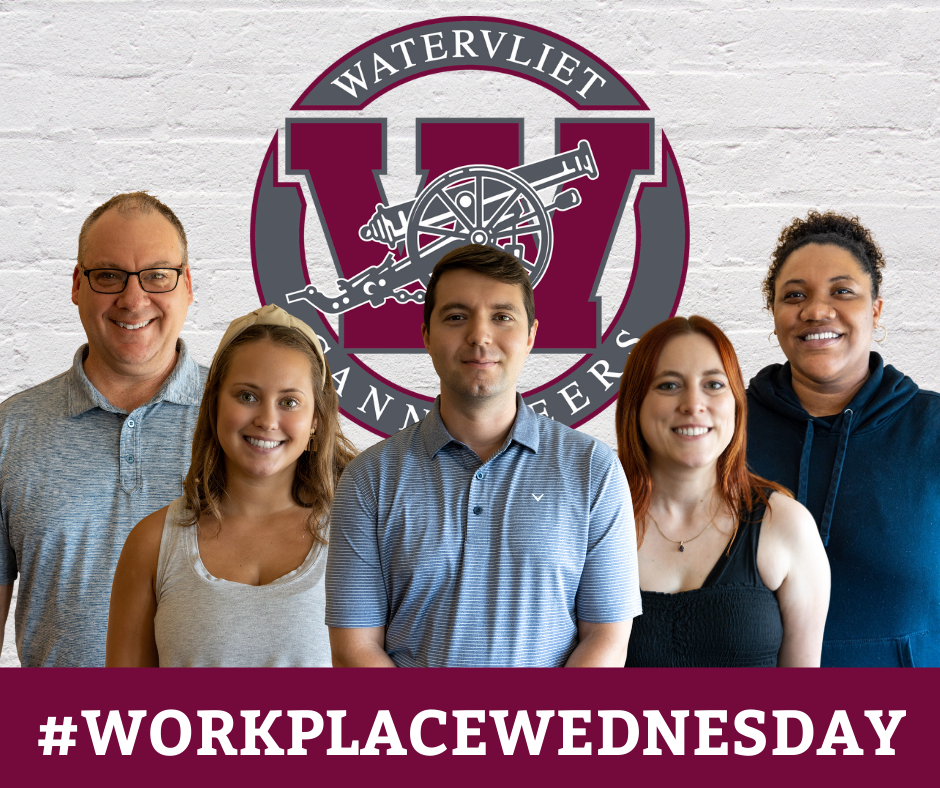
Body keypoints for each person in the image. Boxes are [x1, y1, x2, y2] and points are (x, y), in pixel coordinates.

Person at [326, 244, 640, 667]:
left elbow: (606, 638)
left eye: (502, 317)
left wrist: (532, 735)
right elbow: (355, 651)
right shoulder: (369, 479)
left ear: (530, 336)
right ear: (426, 336)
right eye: (456, 317)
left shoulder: (593, 470)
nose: (479, 336)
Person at [0, 192, 204, 667]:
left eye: (157, 275)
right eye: (108, 276)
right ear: (77, 284)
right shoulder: (10, 432)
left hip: (209, 733)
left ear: (187, 285)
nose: (133, 300)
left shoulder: (249, 427)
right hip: (59, 734)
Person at [106, 304, 356, 666]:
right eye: (247, 396)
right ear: (214, 405)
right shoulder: (151, 544)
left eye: (289, 402)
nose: (267, 420)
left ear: (316, 419)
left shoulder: (359, 540)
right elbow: (121, 714)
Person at [747, 211, 940, 667]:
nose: (816, 310)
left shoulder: (931, 428)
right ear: (774, 315)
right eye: (794, 295)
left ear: (875, 307)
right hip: (757, 727)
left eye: (842, 291)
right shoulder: (727, 429)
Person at [616, 315, 830, 667]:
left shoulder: (787, 526)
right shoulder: (594, 521)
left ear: (736, 403)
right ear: (635, 405)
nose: (693, 404)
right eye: (668, 385)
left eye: (714, 385)